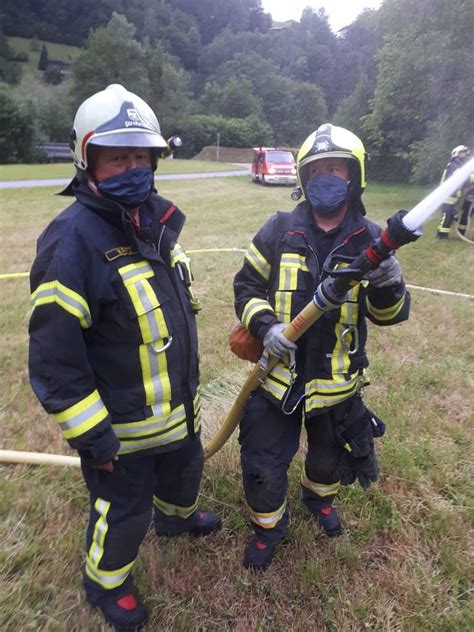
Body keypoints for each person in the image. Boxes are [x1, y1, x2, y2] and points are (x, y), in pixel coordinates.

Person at [28, 83, 221, 630]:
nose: (134, 168)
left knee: (186, 475)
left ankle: (178, 520)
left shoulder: (156, 222)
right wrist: (95, 439)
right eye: (119, 157)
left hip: (178, 417)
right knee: (124, 512)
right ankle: (105, 582)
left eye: (143, 156)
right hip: (122, 438)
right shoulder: (71, 242)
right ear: (86, 159)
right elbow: (54, 360)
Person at [233, 123, 411, 571]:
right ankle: (269, 527)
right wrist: (266, 324)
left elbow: (388, 316)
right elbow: (246, 287)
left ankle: (319, 499)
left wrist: (389, 286)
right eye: (318, 170)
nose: (327, 177)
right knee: (262, 465)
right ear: (304, 178)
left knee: (328, 457)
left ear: (354, 177)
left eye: (337, 168)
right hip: (277, 383)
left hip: (337, 387)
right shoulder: (277, 230)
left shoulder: (372, 240)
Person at [436, 145, 471, 239]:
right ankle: (442, 236)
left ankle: (440, 235)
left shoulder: (459, 165)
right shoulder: (453, 165)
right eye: (462, 152)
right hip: (447, 195)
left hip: (453, 197)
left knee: (450, 216)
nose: (464, 155)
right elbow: (461, 177)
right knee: (447, 216)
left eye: (465, 153)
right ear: (456, 153)